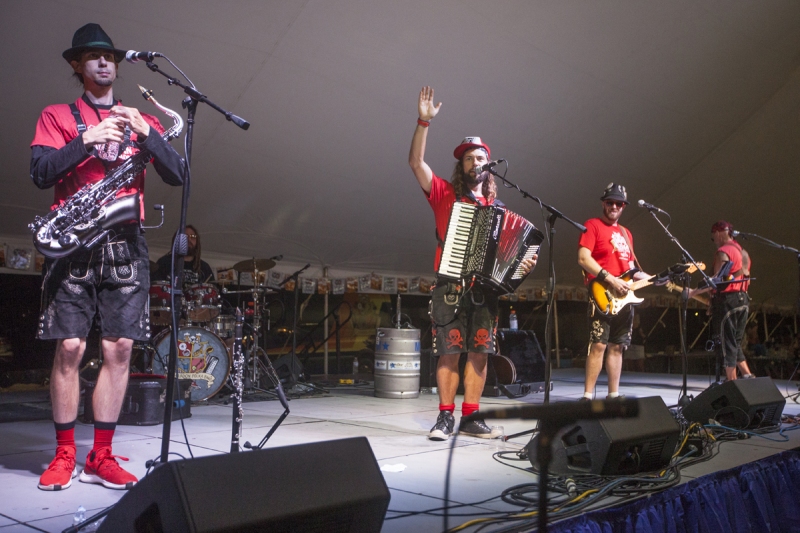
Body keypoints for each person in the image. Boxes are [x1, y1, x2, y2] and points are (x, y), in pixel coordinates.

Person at [30, 23, 184, 491]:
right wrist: (88, 139)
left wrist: (148, 134)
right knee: (70, 348)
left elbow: (178, 174)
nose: (104, 62)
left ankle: (100, 455)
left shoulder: (140, 118)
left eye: (110, 56)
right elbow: (40, 172)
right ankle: (64, 453)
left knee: (119, 349)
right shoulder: (57, 115)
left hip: (125, 240)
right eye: (93, 56)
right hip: (72, 239)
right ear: (77, 65)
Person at [409, 86, 536, 440]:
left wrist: (521, 268)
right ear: (460, 166)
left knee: (480, 354)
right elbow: (416, 163)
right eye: (467, 158)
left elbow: (511, 258)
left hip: (485, 292)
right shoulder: (443, 194)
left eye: (479, 158)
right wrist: (423, 122)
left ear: (488, 166)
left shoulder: (498, 209)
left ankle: (470, 418)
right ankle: (445, 417)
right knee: (449, 352)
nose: (474, 162)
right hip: (449, 286)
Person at [577, 184, 651, 400]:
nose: (614, 206)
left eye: (619, 203)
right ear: (603, 204)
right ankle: (587, 396)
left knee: (618, 346)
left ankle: (613, 394)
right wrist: (611, 279)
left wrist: (653, 278)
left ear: (624, 207)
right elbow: (583, 259)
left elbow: (631, 269)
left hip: (624, 298)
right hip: (603, 292)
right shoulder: (592, 225)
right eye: (610, 202)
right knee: (598, 344)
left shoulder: (626, 234)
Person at [690, 221, 754, 381]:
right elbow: (743, 276)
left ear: (718, 233)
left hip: (728, 301)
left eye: (713, 237)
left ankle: (732, 382)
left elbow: (716, 280)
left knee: (727, 344)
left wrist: (693, 292)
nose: (714, 241)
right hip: (743, 300)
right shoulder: (743, 252)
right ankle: (748, 376)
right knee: (735, 342)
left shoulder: (723, 252)